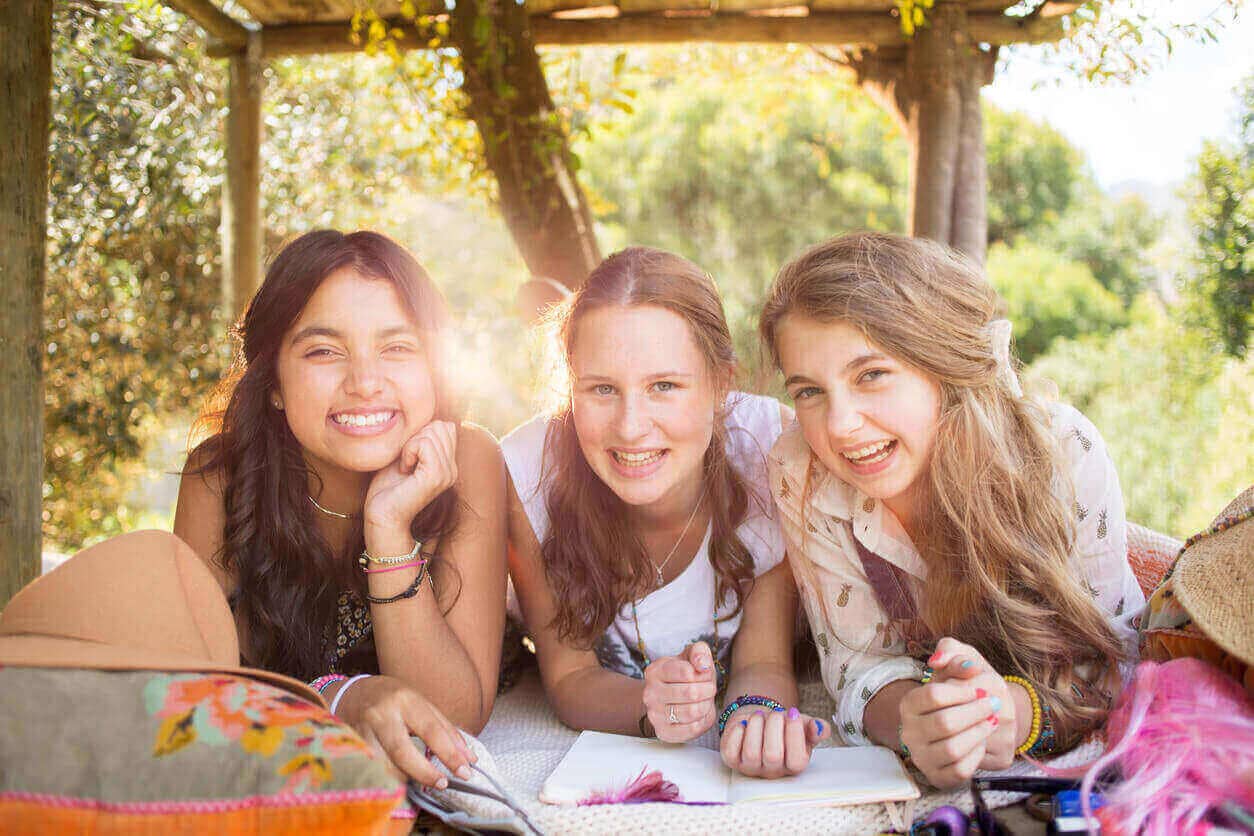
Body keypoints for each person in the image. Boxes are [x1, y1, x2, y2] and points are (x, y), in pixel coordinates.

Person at [758, 232, 1144, 789]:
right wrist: (914, 721)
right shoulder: (801, 469)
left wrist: (1014, 715)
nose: (840, 425)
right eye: (808, 392)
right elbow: (856, 666)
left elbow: (1119, 655)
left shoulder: (1061, 453)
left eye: (871, 375)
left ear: (941, 363)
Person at [174, 230, 507, 789]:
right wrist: (338, 696)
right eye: (324, 351)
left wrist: (389, 528)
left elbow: (454, 718)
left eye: (398, 348)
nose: (365, 382)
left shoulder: (470, 458)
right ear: (273, 381)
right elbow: (196, 684)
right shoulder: (219, 478)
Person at [503, 246, 829, 778]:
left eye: (664, 387)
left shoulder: (771, 455)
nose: (631, 427)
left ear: (722, 383)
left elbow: (763, 662)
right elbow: (569, 678)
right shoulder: (529, 474)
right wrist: (649, 707)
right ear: (571, 387)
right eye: (602, 389)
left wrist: (756, 715)